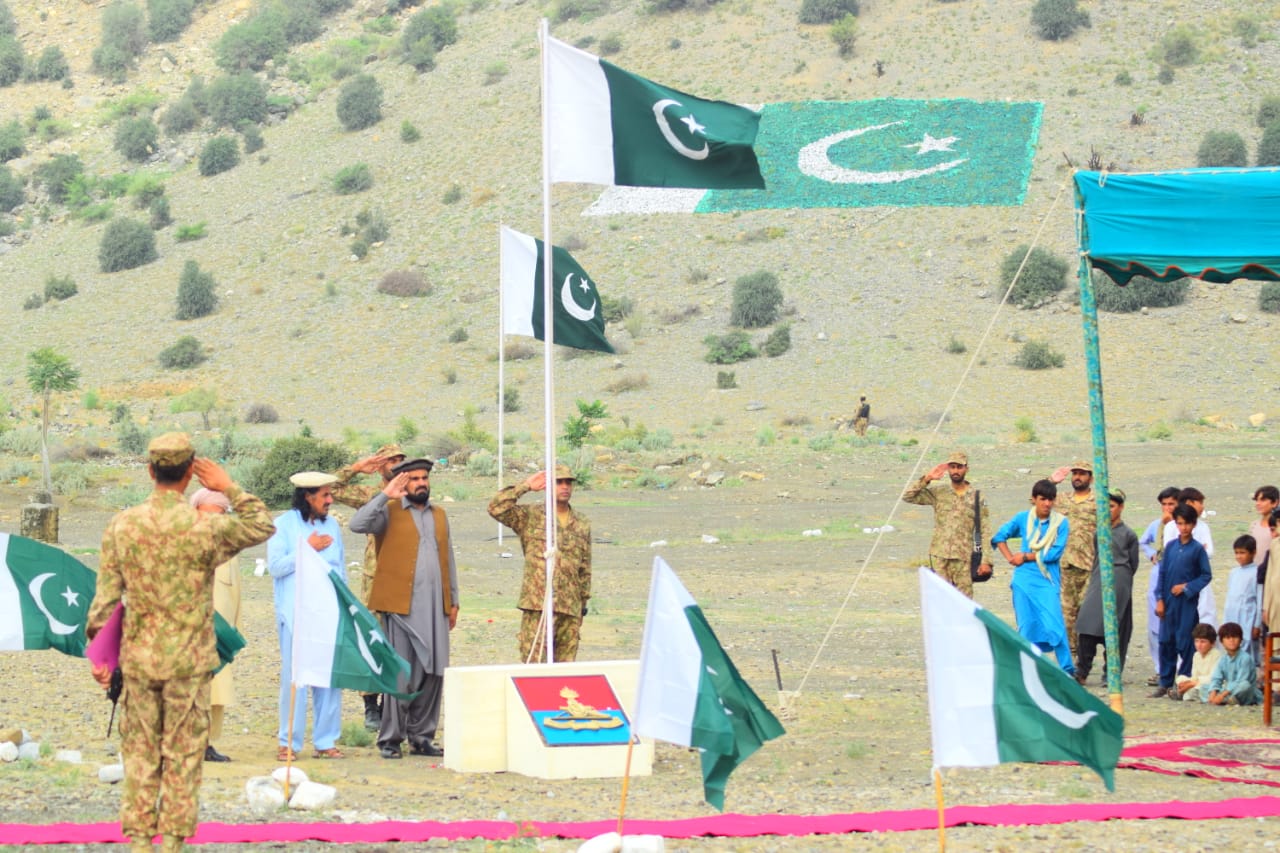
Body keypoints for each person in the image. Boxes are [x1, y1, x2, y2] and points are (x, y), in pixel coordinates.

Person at [87, 433, 273, 853]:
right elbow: (262, 524)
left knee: (139, 753)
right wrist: (228, 486)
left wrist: (101, 656)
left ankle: (138, 840)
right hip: (189, 663)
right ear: (191, 473)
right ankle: (171, 841)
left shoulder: (123, 524)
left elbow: (106, 599)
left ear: (151, 470)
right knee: (184, 756)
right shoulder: (204, 526)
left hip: (138, 660)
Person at [351, 458, 459, 760]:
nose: (421, 483)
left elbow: (447, 558)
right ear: (403, 483)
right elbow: (357, 524)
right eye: (414, 479)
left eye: (424, 478)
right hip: (400, 607)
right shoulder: (388, 511)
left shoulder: (440, 514)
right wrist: (386, 493)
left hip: (436, 606)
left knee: (434, 672)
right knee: (403, 674)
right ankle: (390, 738)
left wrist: (454, 601)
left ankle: (422, 737)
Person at [267, 471, 346, 761]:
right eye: (324, 495)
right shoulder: (283, 525)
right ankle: (288, 742)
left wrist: (347, 607)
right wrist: (306, 549)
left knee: (329, 676)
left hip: (329, 613)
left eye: (330, 494)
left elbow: (340, 571)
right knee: (296, 677)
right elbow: (275, 567)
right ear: (307, 497)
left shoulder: (333, 526)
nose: (330, 500)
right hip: (296, 614)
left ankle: (326, 741)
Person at [331, 443, 407, 731]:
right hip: (376, 577)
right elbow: (333, 489)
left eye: (400, 459)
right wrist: (355, 469)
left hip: (404, 577)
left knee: (401, 642)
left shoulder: (412, 490)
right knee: (372, 638)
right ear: (380, 465)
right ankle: (370, 704)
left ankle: (396, 702)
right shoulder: (368, 494)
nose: (396, 464)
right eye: (390, 460)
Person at [489, 464, 593, 662]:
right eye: (559, 482)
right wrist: (525, 486)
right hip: (538, 603)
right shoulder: (531, 516)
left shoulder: (581, 522)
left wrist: (582, 605)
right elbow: (496, 508)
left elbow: (585, 566)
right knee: (534, 664)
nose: (565, 487)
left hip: (569, 607)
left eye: (568, 482)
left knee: (565, 669)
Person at [991, 479, 1074, 675]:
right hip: (1023, 580)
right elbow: (999, 536)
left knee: (1054, 624)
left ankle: (1067, 669)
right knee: (1027, 626)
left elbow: (1054, 553)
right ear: (1034, 499)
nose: (1047, 504)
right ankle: (1027, 670)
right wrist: (1011, 558)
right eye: (1042, 499)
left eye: (1050, 499)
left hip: (1047, 579)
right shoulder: (1023, 518)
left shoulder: (1061, 523)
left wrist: (1026, 556)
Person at [188, 488, 238, 763]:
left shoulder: (228, 546)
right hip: (190, 634)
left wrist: (234, 631)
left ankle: (206, 743)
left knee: (216, 693)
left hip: (220, 635)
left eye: (222, 514)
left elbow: (236, 593)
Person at [902, 450, 993, 598]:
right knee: (940, 601)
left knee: (964, 603)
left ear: (966, 469)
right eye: (952, 467)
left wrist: (986, 561)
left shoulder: (977, 496)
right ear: (948, 469)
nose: (955, 471)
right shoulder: (939, 493)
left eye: (959, 467)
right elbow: (907, 496)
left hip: (963, 559)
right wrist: (927, 478)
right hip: (940, 557)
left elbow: (985, 530)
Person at [1075, 488, 1140, 686]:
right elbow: (1096, 558)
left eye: (1111, 506)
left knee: (1117, 628)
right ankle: (1082, 671)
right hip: (1098, 579)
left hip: (1120, 581)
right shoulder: (1099, 533)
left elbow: (1133, 563)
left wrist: (1122, 580)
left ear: (1121, 507)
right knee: (1087, 623)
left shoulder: (1128, 534)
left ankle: (1111, 674)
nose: (1108, 510)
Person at [1153, 503, 1212, 699]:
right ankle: (1165, 682)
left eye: (1187, 523)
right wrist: (1159, 599)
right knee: (1165, 641)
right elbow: (1161, 574)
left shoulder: (1197, 550)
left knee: (1185, 642)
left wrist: (1186, 587)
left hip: (1186, 604)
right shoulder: (1170, 547)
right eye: (1180, 523)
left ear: (1194, 525)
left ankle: (1183, 683)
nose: (1183, 527)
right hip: (1168, 603)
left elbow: (1206, 575)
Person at [1048, 460, 1097, 661]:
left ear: (1090, 478)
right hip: (1065, 566)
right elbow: (1037, 499)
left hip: (1090, 565)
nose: (1078, 477)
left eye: (1082, 473)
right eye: (1075, 473)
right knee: (1066, 615)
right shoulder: (1061, 499)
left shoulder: (1099, 501)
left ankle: (1085, 660)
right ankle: (1070, 658)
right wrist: (1051, 481)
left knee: (1087, 616)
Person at [1140, 487, 1181, 686]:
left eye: (1171, 504)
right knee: (1155, 626)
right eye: (1164, 504)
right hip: (1158, 576)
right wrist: (1151, 555)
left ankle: (1179, 669)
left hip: (1177, 579)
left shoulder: (1183, 526)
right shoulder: (1156, 525)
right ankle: (1159, 669)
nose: (1167, 508)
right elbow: (1144, 542)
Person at [1162, 487, 1216, 629]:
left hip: (1198, 580)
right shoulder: (1171, 527)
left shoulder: (1203, 527)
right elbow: (1171, 553)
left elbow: (1209, 551)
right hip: (1177, 579)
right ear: (1190, 503)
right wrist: (1196, 551)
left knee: (1205, 620)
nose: (1203, 506)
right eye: (1200, 502)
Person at [1223, 534, 1262, 665]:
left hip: (1247, 619)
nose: (1239, 556)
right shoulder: (1234, 572)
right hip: (1232, 617)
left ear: (1253, 552)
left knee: (1246, 651)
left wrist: (1257, 625)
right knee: (1231, 648)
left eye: (1242, 553)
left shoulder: (1257, 572)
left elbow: (1259, 600)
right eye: (1236, 553)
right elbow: (1230, 597)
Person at [1206, 622, 1263, 706]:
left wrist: (1222, 695)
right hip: (1228, 691)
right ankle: (1226, 700)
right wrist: (1213, 692)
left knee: (1245, 685)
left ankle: (1225, 700)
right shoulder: (1223, 659)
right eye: (1227, 638)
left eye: (1235, 637)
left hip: (1245, 692)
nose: (1231, 640)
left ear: (1240, 640)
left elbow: (1241, 681)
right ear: (1222, 641)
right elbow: (1216, 678)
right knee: (1204, 688)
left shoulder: (1245, 658)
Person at [1174, 623, 1221, 703]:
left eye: (1203, 642)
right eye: (1196, 641)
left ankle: (1183, 694)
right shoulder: (1196, 655)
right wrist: (1188, 683)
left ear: (1212, 643)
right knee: (1180, 678)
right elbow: (1194, 676)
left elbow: (1213, 678)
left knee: (1197, 690)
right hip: (1196, 683)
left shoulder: (1217, 655)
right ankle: (1182, 692)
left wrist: (1191, 684)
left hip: (1209, 684)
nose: (1199, 645)